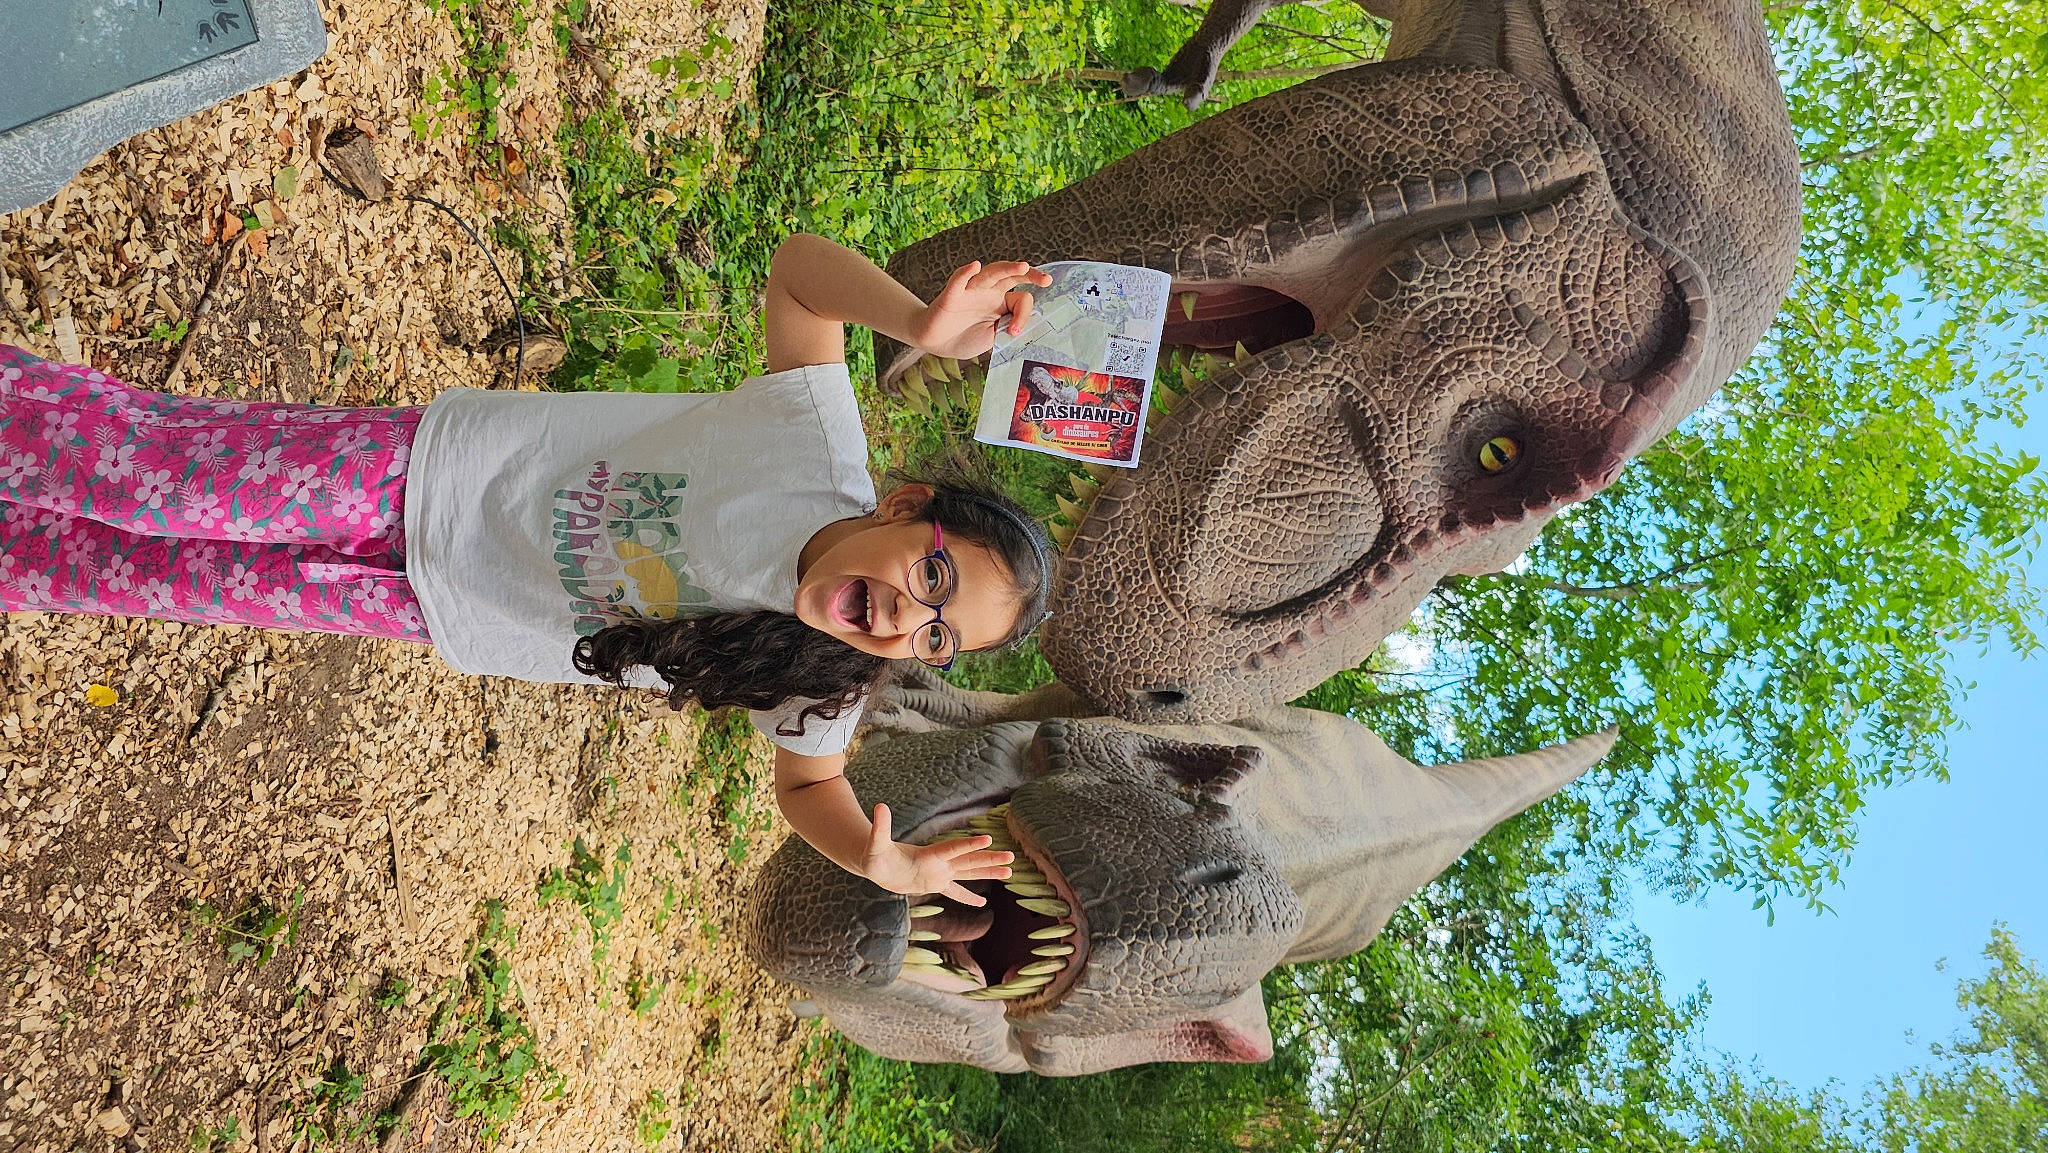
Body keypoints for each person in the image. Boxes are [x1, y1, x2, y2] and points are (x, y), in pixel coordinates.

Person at [0, 233, 1056, 904]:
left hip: (433, 602)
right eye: (931, 579)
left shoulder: (814, 680)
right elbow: (796, 274)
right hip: (420, 476)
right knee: (162, 483)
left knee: (148, 572)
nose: (902, 623)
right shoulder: (807, 446)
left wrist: (874, 860)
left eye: (934, 637)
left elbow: (808, 783)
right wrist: (917, 323)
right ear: (905, 507)